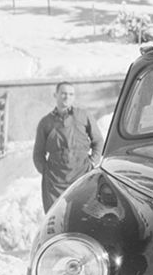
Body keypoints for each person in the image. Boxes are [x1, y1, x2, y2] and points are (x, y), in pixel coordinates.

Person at [33, 82, 103, 210]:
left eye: (71, 94)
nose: (67, 97)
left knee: (84, 213)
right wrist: (46, 172)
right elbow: (38, 154)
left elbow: (98, 141)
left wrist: (93, 163)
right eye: (63, 93)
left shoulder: (84, 115)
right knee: (57, 216)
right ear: (56, 95)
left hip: (82, 176)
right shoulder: (45, 122)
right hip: (55, 182)